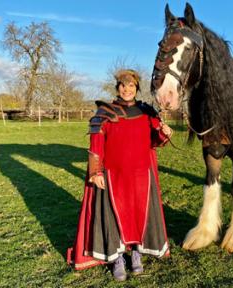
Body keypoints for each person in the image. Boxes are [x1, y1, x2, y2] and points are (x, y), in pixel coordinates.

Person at [67, 69, 172, 281]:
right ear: (117, 88)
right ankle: (117, 259)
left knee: (138, 215)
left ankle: (135, 254)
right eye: (123, 86)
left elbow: (155, 141)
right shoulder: (105, 113)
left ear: (136, 88)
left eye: (131, 86)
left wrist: (164, 133)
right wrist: (96, 171)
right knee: (116, 216)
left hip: (142, 175)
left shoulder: (146, 112)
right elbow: (96, 145)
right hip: (114, 177)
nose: (127, 89)